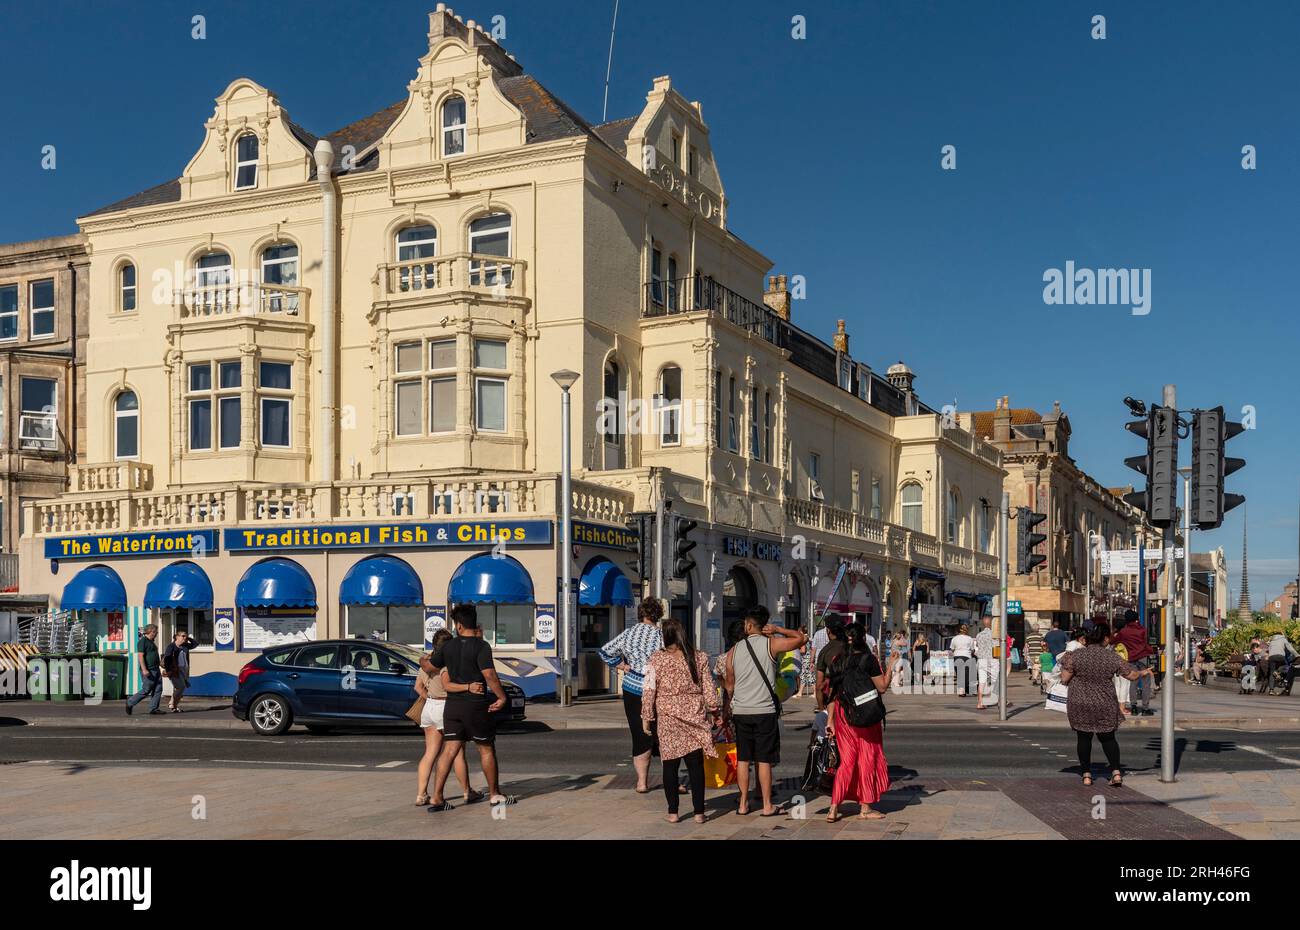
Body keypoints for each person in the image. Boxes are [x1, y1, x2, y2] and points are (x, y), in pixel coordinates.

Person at [422, 604, 516, 812]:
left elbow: (429, 666)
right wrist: (501, 697)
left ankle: (437, 797)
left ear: (459, 625)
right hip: (475, 706)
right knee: (486, 749)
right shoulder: (481, 647)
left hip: (453, 707)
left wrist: (422, 659)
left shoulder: (448, 647)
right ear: (474, 623)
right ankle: (494, 795)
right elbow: (490, 675)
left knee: (449, 750)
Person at [724, 605, 807, 816]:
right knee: (763, 759)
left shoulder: (733, 651)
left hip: (741, 711)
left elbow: (729, 685)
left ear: (750, 625)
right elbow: (801, 639)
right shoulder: (772, 644)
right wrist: (779, 630)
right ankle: (767, 805)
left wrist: (726, 711)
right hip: (764, 711)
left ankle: (743, 803)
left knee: (743, 758)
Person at [641, 618, 721, 823]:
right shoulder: (699, 657)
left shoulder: (656, 659)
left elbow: (649, 689)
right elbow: (709, 688)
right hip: (694, 713)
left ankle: (673, 812)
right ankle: (699, 812)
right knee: (696, 766)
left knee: (670, 766)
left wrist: (646, 717)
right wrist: (715, 710)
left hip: (667, 716)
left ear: (665, 636)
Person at [1059, 621, 1155, 787]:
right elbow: (1131, 675)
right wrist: (1143, 672)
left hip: (1080, 701)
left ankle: (1087, 775)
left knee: (1083, 737)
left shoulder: (1075, 656)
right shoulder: (1111, 657)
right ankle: (1116, 772)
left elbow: (1064, 678)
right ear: (1105, 639)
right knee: (1108, 738)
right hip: (1105, 701)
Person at [824, 624, 893, 822]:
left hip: (843, 714)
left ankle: (833, 808)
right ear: (863, 638)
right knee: (867, 758)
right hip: (865, 715)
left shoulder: (838, 660)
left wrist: (830, 721)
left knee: (846, 762)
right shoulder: (868, 659)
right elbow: (881, 687)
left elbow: (832, 694)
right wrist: (890, 666)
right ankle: (865, 807)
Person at [598, 599, 665, 792]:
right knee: (663, 732)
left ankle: (642, 782)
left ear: (640, 614)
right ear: (657, 615)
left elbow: (604, 651)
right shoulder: (662, 636)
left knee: (639, 733)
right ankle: (671, 778)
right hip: (657, 689)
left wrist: (623, 666)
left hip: (633, 687)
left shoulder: (629, 634)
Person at [414, 628, 481, 807]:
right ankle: (467, 792)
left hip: (429, 707)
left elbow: (418, 687)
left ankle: (421, 795)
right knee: (457, 752)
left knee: (430, 753)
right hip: (447, 706)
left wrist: (429, 696)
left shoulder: (426, 662)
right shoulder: (449, 663)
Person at [1112, 611, 1154, 715]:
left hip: (1130, 658)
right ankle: (1145, 708)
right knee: (1146, 684)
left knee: (1132, 682)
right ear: (1137, 619)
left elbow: (1114, 641)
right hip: (1143, 658)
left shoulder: (1123, 631)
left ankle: (1133, 707)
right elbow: (1147, 642)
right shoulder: (1143, 630)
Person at [125, 624, 165, 716]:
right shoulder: (143, 641)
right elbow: (140, 656)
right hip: (149, 670)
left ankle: (154, 708)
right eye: (156, 632)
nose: (157, 633)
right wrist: (144, 669)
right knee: (147, 689)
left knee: (158, 689)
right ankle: (130, 702)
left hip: (156, 669)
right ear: (151, 631)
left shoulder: (151, 641)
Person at [814, 615, 847, 711]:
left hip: (834, 701)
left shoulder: (825, 651)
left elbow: (819, 686)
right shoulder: (853, 646)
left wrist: (821, 708)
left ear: (828, 631)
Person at [162, 630, 197, 713]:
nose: (184, 638)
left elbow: (195, 644)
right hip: (175, 670)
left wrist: (188, 638)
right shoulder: (172, 646)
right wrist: (168, 670)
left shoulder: (185, 646)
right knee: (180, 687)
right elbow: (167, 658)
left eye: (186, 636)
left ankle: (174, 706)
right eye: (183, 636)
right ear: (177, 637)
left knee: (181, 688)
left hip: (184, 670)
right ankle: (172, 704)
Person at [974, 617, 997, 709]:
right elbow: (996, 648)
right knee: (996, 680)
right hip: (992, 660)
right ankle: (999, 700)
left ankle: (980, 703)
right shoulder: (994, 634)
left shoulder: (979, 635)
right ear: (991, 624)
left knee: (982, 682)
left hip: (981, 660)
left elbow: (977, 647)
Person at [949, 624, 975, 697]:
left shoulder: (954, 638)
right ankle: (966, 689)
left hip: (957, 656)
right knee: (966, 674)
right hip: (966, 656)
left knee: (960, 674)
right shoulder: (970, 638)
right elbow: (972, 649)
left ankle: (961, 691)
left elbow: (952, 649)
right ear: (966, 630)